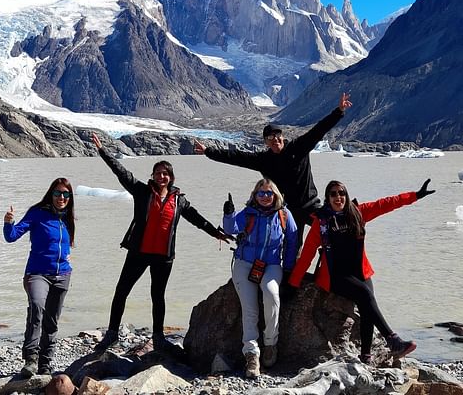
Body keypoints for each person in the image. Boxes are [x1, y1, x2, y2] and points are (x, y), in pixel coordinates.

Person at [91, 133, 233, 352]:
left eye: (165, 173)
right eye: (158, 173)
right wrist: (103, 151)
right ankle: (111, 334)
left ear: (171, 177)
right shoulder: (141, 191)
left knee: (157, 296)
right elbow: (121, 172)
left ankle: (158, 337)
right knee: (122, 291)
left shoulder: (179, 200)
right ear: (153, 176)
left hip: (163, 257)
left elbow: (196, 218)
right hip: (139, 252)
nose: (161, 177)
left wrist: (216, 233)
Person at [287, 178, 435, 363]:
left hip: (360, 272)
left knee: (368, 307)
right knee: (365, 294)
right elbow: (307, 254)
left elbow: (386, 204)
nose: (338, 197)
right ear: (327, 198)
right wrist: (293, 283)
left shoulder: (358, 212)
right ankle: (393, 340)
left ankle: (365, 355)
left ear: (347, 196)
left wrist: (415, 196)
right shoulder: (321, 222)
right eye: (333, 194)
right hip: (335, 275)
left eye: (342, 193)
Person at [194, 93, 352, 238]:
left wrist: (339, 111)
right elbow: (236, 157)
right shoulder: (263, 160)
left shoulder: (298, 147)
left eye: (277, 135)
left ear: (282, 136)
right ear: (266, 142)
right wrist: (208, 151)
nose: (275, 139)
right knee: (292, 248)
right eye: (270, 137)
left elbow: (318, 130)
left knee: (332, 235)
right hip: (287, 211)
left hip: (311, 206)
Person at [222, 179, 299, 377]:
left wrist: (288, 268)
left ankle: (271, 343)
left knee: (272, 295)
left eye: (269, 193)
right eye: (261, 193)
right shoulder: (248, 213)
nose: (265, 197)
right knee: (250, 308)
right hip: (244, 263)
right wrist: (228, 214)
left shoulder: (284, 214)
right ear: (255, 195)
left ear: (275, 195)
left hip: (271, 265)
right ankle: (251, 354)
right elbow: (230, 229)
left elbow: (292, 240)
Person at [3, 177, 76, 377]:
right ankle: (31, 359)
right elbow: (11, 236)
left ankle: (45, 363)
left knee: (52, 320)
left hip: (62, 275)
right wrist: (8, 223)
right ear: (51, 194)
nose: (61, 197)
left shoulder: (67, 217)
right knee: (37, 307)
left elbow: (65, 244)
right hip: (37, 273)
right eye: (57, 193)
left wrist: (67, 257)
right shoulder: (37, 213)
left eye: (66, 194)